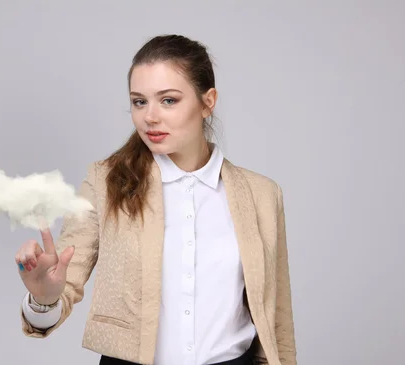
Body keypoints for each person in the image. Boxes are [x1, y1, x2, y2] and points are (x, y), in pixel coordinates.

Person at [15, 34, 297, 365]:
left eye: (168, 100)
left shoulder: (262, 194)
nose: (150, 117)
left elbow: (277, 320)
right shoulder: (105, 183)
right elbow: (62, 287)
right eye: (139, 101)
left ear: (208, 102)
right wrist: (43, 299)